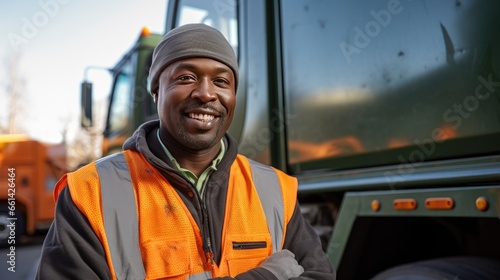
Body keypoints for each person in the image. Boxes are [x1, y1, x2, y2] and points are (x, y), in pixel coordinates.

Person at [36, 23, 336, 280]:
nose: (206, 93)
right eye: (186, 78)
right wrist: (266, 275)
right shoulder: (90, 194)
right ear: (156, 92)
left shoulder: (273, 190)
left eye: (221, 81)